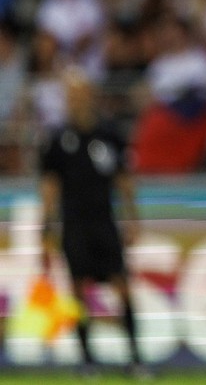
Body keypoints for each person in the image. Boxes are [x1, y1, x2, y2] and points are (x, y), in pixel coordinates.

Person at [38, 69, 147, 377]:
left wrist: (133, 217)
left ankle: (136, 358)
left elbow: (124, 180)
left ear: (91, 96)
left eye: (80, 93)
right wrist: (46, 227)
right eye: (70, 95)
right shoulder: (57, 140)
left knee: (122, 286)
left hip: (104, 221)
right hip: (74, 225)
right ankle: (88, 359)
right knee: (77, 290)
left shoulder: (109, 134)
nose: (75, 100)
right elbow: (49, 187)